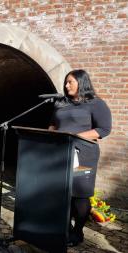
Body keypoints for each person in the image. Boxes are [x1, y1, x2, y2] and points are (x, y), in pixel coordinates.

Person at [48, 69, 111, 247]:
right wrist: (49, 137)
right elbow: (53, 124)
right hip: (60, 152)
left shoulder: (95, 103)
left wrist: (74, 136)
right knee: (61, 193)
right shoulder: (61, 103)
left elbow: (104, 129)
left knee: (79, 195)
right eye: (66, 82)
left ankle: (78, 231)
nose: (67, 85)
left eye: (71, 82)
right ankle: (65, 229)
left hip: (83, 154)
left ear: (81, 83)